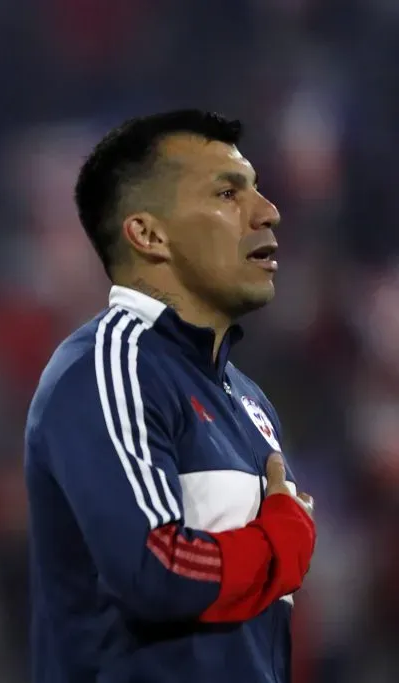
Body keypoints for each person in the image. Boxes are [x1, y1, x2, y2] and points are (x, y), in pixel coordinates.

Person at [24, 110, 317, 682]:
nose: (268, 211)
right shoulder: (110, 365)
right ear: (149, 234)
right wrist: (280, 541)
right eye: (229, 193)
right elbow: (155, 571)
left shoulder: (249, 402)